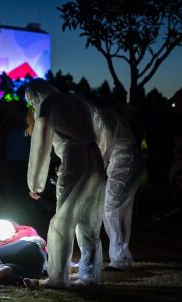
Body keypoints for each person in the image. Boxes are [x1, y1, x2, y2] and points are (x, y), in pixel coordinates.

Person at [23, 78, 105, 288]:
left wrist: (35, 183)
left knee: (63, 220)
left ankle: (57, 277)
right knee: (90, 220)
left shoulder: (48, 105)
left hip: (75, 159)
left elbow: (41, 146)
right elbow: (98, 128)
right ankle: (89, 274)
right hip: (95, 157)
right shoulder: (76, 100)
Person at [91, 104, 141, 271]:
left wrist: (95, 171)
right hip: (125, 161)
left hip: (124, 162)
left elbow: (105, 148)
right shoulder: (105, 114)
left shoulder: (103, 116)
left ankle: (119, 258)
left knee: (110, 207)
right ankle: (122, 254)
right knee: (121, 209)